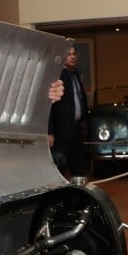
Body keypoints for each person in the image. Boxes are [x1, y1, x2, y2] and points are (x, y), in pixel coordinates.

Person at [47, 46, 88, 177]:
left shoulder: (75, 74)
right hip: (61, 132)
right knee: (60, 167)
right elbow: (49, 107)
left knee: (78, 168)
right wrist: (50, 132)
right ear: (62, 57)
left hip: (76, 130)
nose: (72, 56)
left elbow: (80, 99)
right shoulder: (57, 75)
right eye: (69, 54)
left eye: (74, 54)